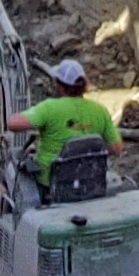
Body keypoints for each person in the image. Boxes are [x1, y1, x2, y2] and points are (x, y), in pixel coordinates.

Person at [19, 56, 117, 188]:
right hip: (89, 182)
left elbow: (13, 124)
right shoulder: (100, 110)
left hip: (50, 184)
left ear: (59, 85)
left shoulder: (49, 108)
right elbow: (116, 148)